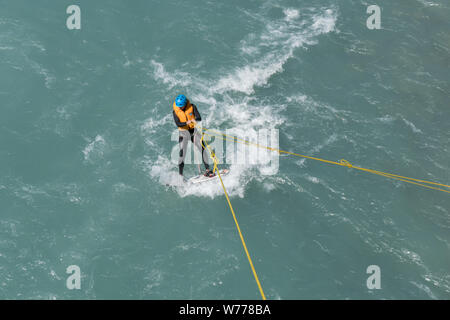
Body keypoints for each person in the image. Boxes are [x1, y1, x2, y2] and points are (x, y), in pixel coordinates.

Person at [172, 94, 214, 177]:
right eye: (178, 106)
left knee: (202, 148)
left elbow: (199, 117)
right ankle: (180, 176)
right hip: (183, 133)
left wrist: (194, 120)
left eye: (181, 106)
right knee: (182, 154)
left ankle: (208, 170)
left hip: (193, 131)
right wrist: (186, 123)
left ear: (185, 104)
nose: (179, 107)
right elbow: (178, 123)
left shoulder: (192, 107)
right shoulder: (175, 112)